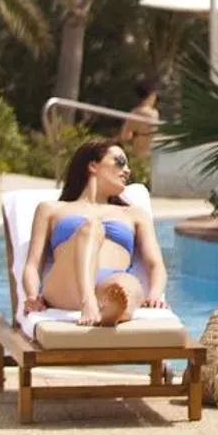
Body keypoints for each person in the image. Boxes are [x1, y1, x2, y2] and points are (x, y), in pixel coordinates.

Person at [20, 139, 170, 327]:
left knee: (127, 284)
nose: (128, 170)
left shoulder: (134, 214)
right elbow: (33, 264)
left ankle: (113, 313)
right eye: (120, 162)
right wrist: (32, 296)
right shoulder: (51, 209)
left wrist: (155, 295)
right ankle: (88, 301)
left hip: (111, 285)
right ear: (93, 165)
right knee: (91, 228)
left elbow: (155, 264)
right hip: (67, 285)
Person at [117, 79, 161, 163]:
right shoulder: (153, 113)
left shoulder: (134, 113)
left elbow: (124, 136)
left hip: (137, 154)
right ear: (151, 95)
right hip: (150, 155)